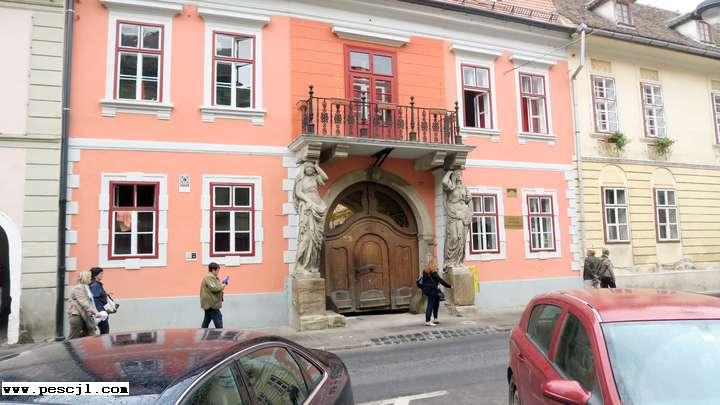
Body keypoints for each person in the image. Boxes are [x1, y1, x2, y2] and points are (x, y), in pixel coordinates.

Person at [293, 160, 329, 276]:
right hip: (308, 207)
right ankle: (300, 266)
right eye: (307, 167)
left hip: (318, 205)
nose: (309, 169)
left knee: (316, 240)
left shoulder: (315, 178)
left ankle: (312, 266)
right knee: (307, 237)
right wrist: (308, 201)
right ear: (304, 169)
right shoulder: (300, 179)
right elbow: (298, 193)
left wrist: (318, 167)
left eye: (311, 168)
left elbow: (325, 178)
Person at [67, 270, 103, 339]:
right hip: (77, 316)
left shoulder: (86, 287)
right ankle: (65, 346)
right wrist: (95, 312)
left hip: (85, 316)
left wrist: (96, 312)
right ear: (85, 278)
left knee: (91, 336)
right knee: (72, 338)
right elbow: (84, 302)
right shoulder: (79, 287)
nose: (91, 278)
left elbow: (91, 302)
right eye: (89, 277)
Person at [420, 258, 452, 326]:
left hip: (428, 290)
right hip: (433, 290)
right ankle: (428, 321)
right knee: (430, 305)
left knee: (436, 304)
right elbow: (440, 280)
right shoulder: (434, 272)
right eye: (436, 264)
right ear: (434, 265)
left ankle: (435, 319)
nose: (437, 265)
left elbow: (424, 281)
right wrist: (449, 286)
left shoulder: (425, 271)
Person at [200, 262, 227, 328]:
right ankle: (219, 332)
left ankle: (202, 332)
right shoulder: (209, 277)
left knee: (207, 319)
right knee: (218, 318)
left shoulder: (212, 277)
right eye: (217, 270)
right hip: (211, 303)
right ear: (213, 270)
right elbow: (214, 288)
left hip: (209, 303)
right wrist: (223, 285)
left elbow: (215, 286)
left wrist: (222, 284)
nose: (218, 272)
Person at [89, 267, 110, 334]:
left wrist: (105, 294)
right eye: (101, 274)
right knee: (105, 331)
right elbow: (94, 299)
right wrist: (100, 311)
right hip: (100, 312)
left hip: (98, 311)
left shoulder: (94, 284)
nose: (102, 275)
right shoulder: (95, 285)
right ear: (95, 275)